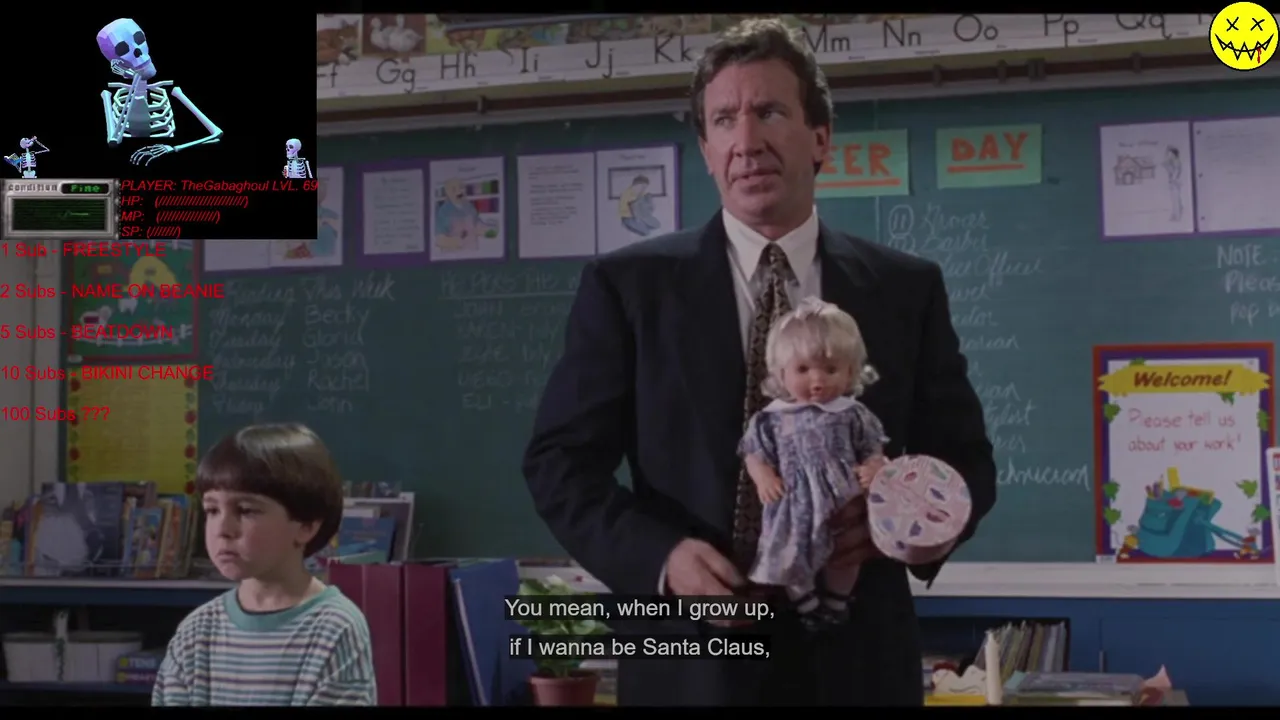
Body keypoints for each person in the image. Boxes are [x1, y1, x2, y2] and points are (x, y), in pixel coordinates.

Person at [523, 17, 996, 706]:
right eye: (725, 120)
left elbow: (966, 460)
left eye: (770, 112)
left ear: (821, 137)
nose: (747, 141)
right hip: (692, 662)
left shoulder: (904, 289)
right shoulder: (627, 287)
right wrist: (662, 559)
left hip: (858, 664)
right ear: (706, 150)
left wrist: (912, 529)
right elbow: (559, 464)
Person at [152, 424, 376, 706]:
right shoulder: (197, 631)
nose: (223, 529)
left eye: (246, 510)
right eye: (212, 510)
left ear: (306, 526)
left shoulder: (334, 628)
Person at [741, 297, 888, 630]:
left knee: (845, 553)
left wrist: (874, 467)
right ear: (781, 372)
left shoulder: (852, 413)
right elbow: (754, 452)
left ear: (850, 372)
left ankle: (837, 601)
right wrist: (763, 476)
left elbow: (872, 447)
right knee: (791, 553)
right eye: (803, 370)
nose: (817, 381)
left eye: (831, 370)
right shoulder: (771, 418)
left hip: (842, 496)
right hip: (793, 501)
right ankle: (805, 602)